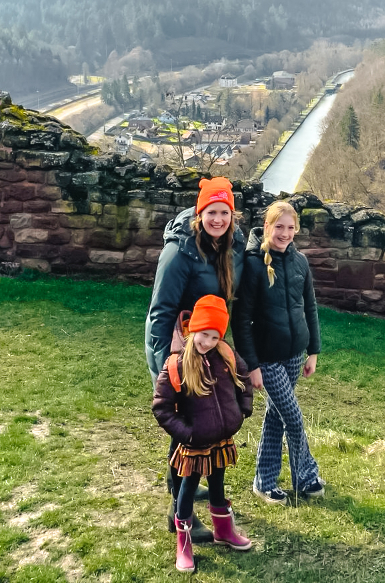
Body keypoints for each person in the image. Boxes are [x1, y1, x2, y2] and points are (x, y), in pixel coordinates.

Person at [145, 176, 245, 542]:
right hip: (178, 343)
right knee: (186, 421)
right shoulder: (180, 251)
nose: (217, 219)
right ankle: (178, 508)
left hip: (207, 342)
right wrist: (162, 366)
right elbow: (161, 310)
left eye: (224, 212)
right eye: (211, 212)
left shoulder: (230, 247)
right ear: (199, 213)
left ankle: (188, 486)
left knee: (205, 417)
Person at [231, 201, 323, 505]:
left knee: (276, 416)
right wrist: (252, 365)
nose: (284, 233)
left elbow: (309, 307)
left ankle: (265, 481)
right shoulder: (254, 264)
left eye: (290, 227)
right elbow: (241, 319)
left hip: (295, 354)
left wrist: (313, 351)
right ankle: (306, 476)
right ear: (267, 226)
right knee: (294, 419)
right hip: (267, 358)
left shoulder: (301, 263)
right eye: (278, 226)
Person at [153, 295, 254, 573]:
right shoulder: (177, 363)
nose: (207, 342)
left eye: (214, 336)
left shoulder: (226, 355)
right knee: (187, 488)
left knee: (218, 483)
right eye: (203, 334)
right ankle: (183, 544)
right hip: (195, 442)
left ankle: (223, 531)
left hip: (221, 439)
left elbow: (244, 378)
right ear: (193, 328)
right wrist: (187, 433)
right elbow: (161, 407)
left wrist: (242, 409)